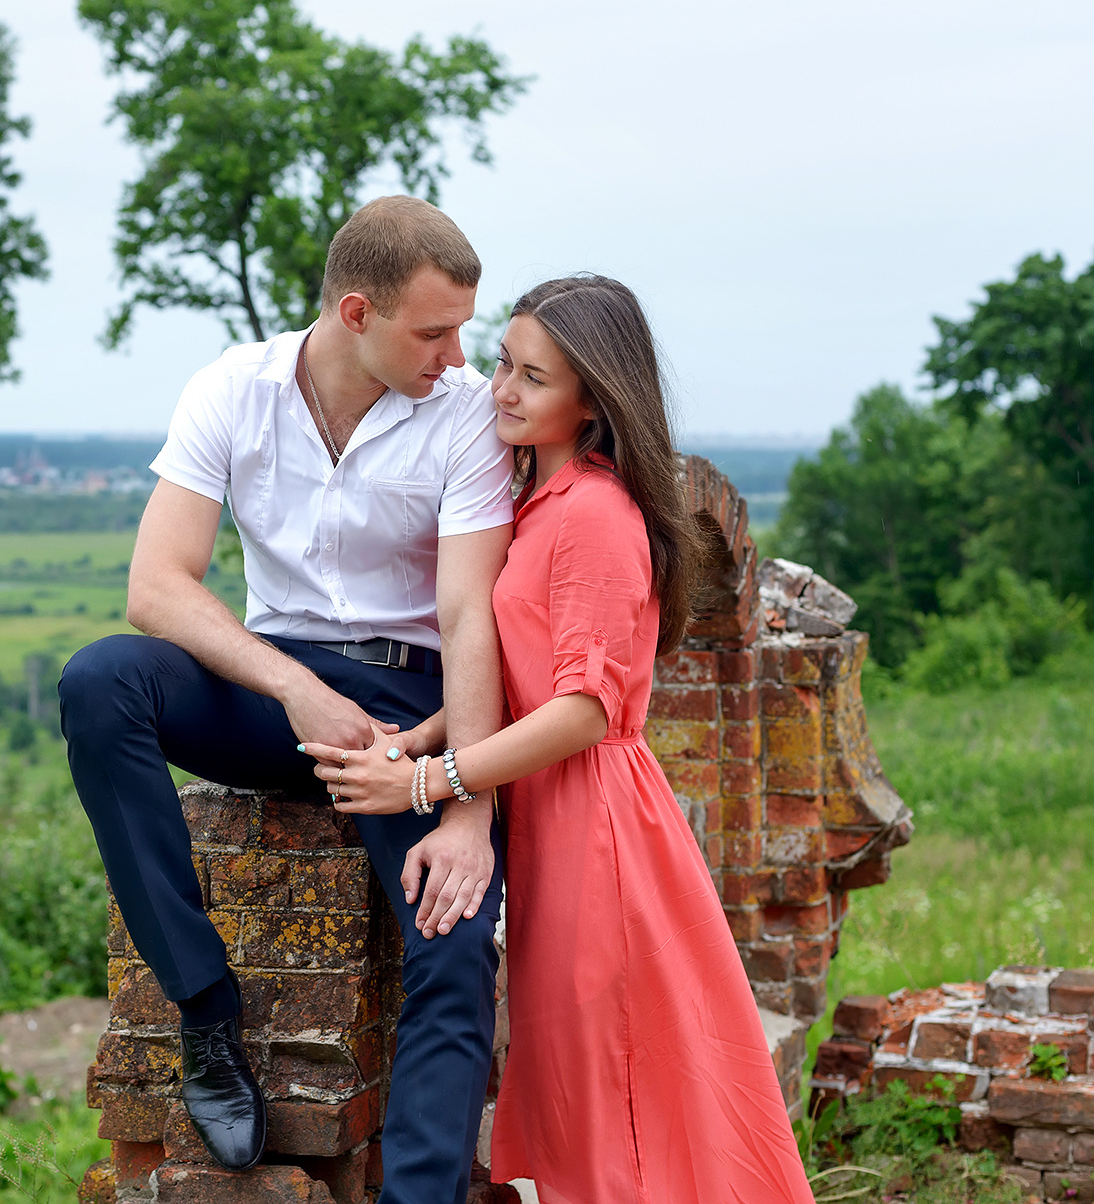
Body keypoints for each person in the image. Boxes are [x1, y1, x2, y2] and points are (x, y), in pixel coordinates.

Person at [307, 276, 816, 1203]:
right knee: (587, 1089)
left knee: (612, 1095)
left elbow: (584, 709)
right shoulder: (539, 497)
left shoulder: (594, 513)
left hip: (597, 829)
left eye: (532, 377)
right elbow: (519, 668)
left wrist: (430, 782)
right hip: (553, 819)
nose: (500, 388)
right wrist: (415, 738)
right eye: (503, 362)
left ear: (593, 399)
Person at [58, 195, 516, 1199]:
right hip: (276, 688)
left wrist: (466, 803)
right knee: (99, 681)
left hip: (409, 713)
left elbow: (469, 613)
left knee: (451, 940)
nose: (456, 355)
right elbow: (155, 587)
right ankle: (204, 1007)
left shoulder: (464, 413)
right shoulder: (234, 388)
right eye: (433, 332)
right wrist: (293, 687)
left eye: (462, 330)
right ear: (357, 313)